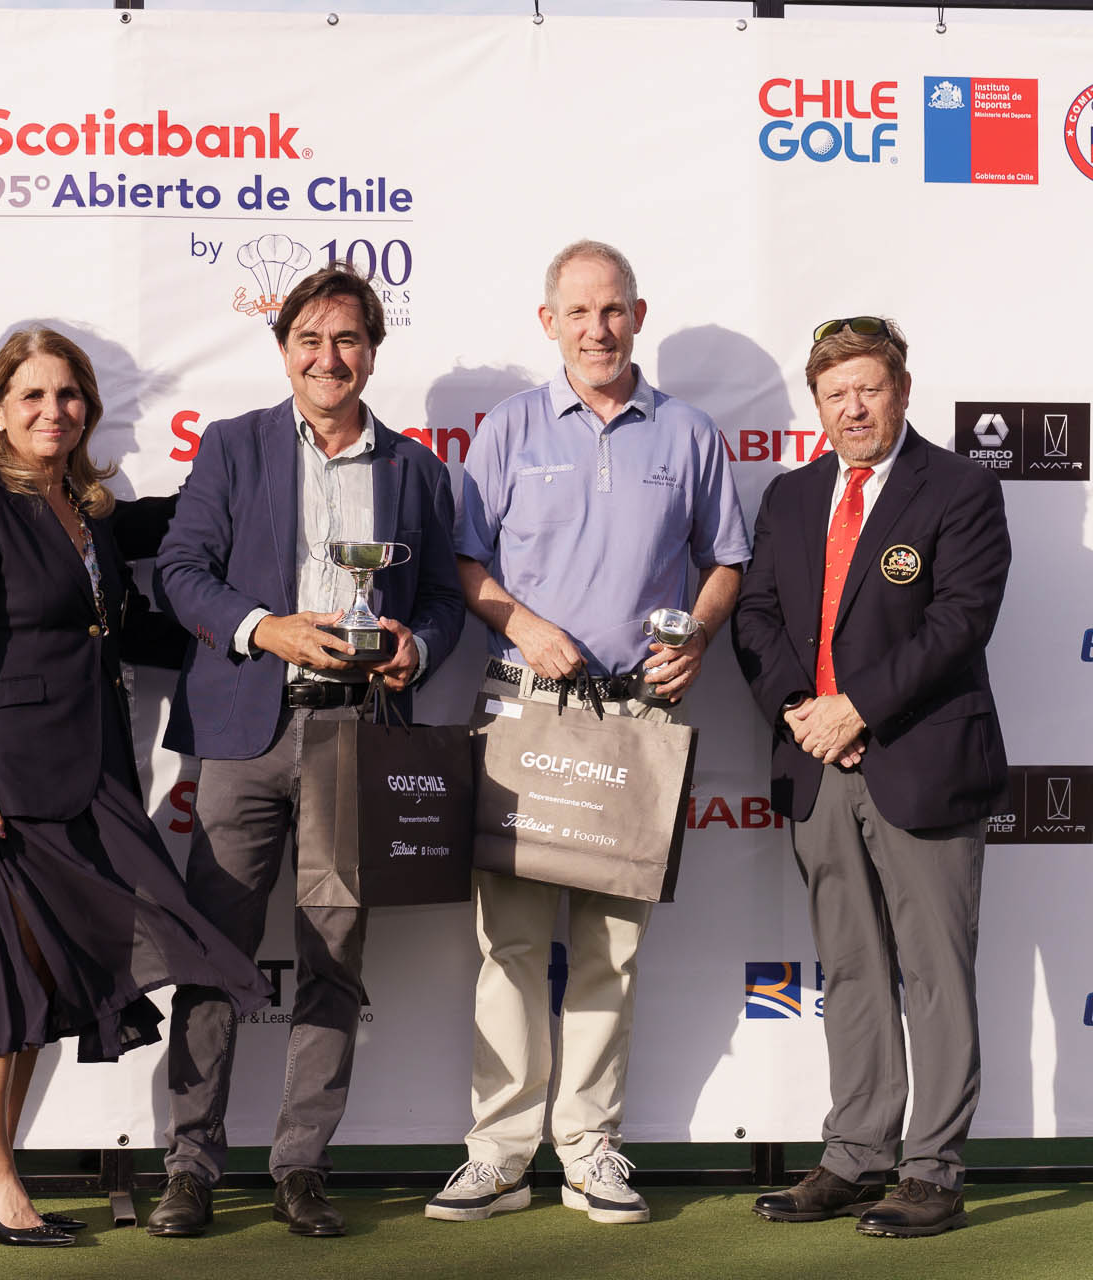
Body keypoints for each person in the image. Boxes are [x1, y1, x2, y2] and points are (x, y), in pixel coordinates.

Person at [0, 328, 271, 1248]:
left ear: (89, 409)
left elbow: (123, 623)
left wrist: (258, 635)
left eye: (68, 395)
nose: (53, 411)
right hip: (0, 790)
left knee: (41, 980)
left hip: (91, 775)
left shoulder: (87, 509)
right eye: (31, 396)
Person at [425, 240, 749, 1226]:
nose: (597, 329)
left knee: (611, 948)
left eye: (612, 310)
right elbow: (466, 564)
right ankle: (497, 1152)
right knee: (511, 945)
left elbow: (725, 561)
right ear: (549, 322)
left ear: (637, 316)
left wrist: (698, 632)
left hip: (636, 714)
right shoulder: (508, 429)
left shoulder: (689, 433)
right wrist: (522, 623)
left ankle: (590, 1148)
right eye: (578, 312)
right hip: (524, 706)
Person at [147, 264, 467, 1239]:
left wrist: (419, 646)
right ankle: (190, 1167)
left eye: (348, 340)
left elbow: (442, 600)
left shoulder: (414, 470)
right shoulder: (234, 445)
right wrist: (264, 628)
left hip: (355, 738)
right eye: (311, 340)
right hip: (246, 733)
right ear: (284, 349)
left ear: (373, 350)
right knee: (214, 954)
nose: (330, 359)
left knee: (334, 957)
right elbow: (179, 570)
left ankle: (301, 1166)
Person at [731, 316, 1010, 1238]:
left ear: (902, 391)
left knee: (935, 974)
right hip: (817, 764)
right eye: (835, 394)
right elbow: (756, 617)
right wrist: (801, 711)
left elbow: (960, 620)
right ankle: (856, 1156)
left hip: (920, 761)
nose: (853, 408)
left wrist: (857, 708)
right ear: (817, 405)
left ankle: (932, 1171)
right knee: (851, 968)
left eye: (869, 388)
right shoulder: (790, 496)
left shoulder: (961, 488)